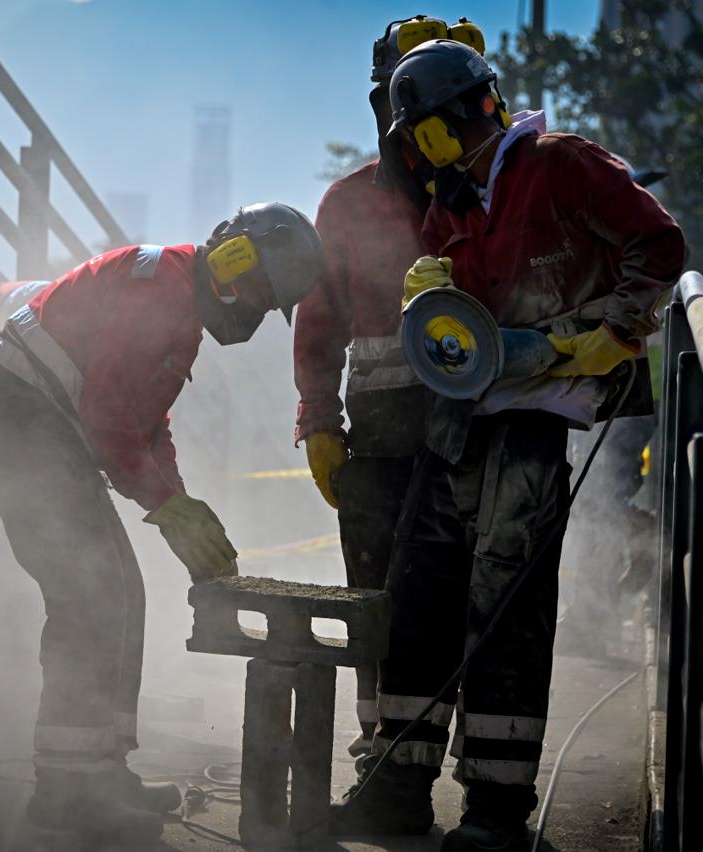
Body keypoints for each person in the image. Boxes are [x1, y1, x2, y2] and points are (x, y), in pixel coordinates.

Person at [332, 40, 687, 850]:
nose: (420, 151)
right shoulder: (455, 202)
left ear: (466, 111)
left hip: (537, 409)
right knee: (419, 591)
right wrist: (436, 289)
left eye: (425, 132)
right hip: (467, 406)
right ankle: (397, 785)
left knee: (505, 605)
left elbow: (661, 247)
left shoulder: (559, 164)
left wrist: (616, 331)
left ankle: (495, 808)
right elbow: (467, 309)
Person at [0, 203, 324, 843]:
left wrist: (177, 502)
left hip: (40, 426)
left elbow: (148, 427)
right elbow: (109, 419)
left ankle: (101, 769)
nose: (256, 313)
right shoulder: (159, 290)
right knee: (91, 594)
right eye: (260, 292)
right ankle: (65, 790)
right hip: (10, 419)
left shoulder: (183, 314)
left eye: (268, 303)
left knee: (123, 592)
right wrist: (166, 508)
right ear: (233, 255)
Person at [293, 13, 486, 759]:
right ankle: (384, 751)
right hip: (378, 437)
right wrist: (318, 422)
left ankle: (456, 761)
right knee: (376, 597)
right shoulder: (347, 205)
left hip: (477, 431)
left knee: (458, 602)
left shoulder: (502, 188)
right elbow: (319, 325)